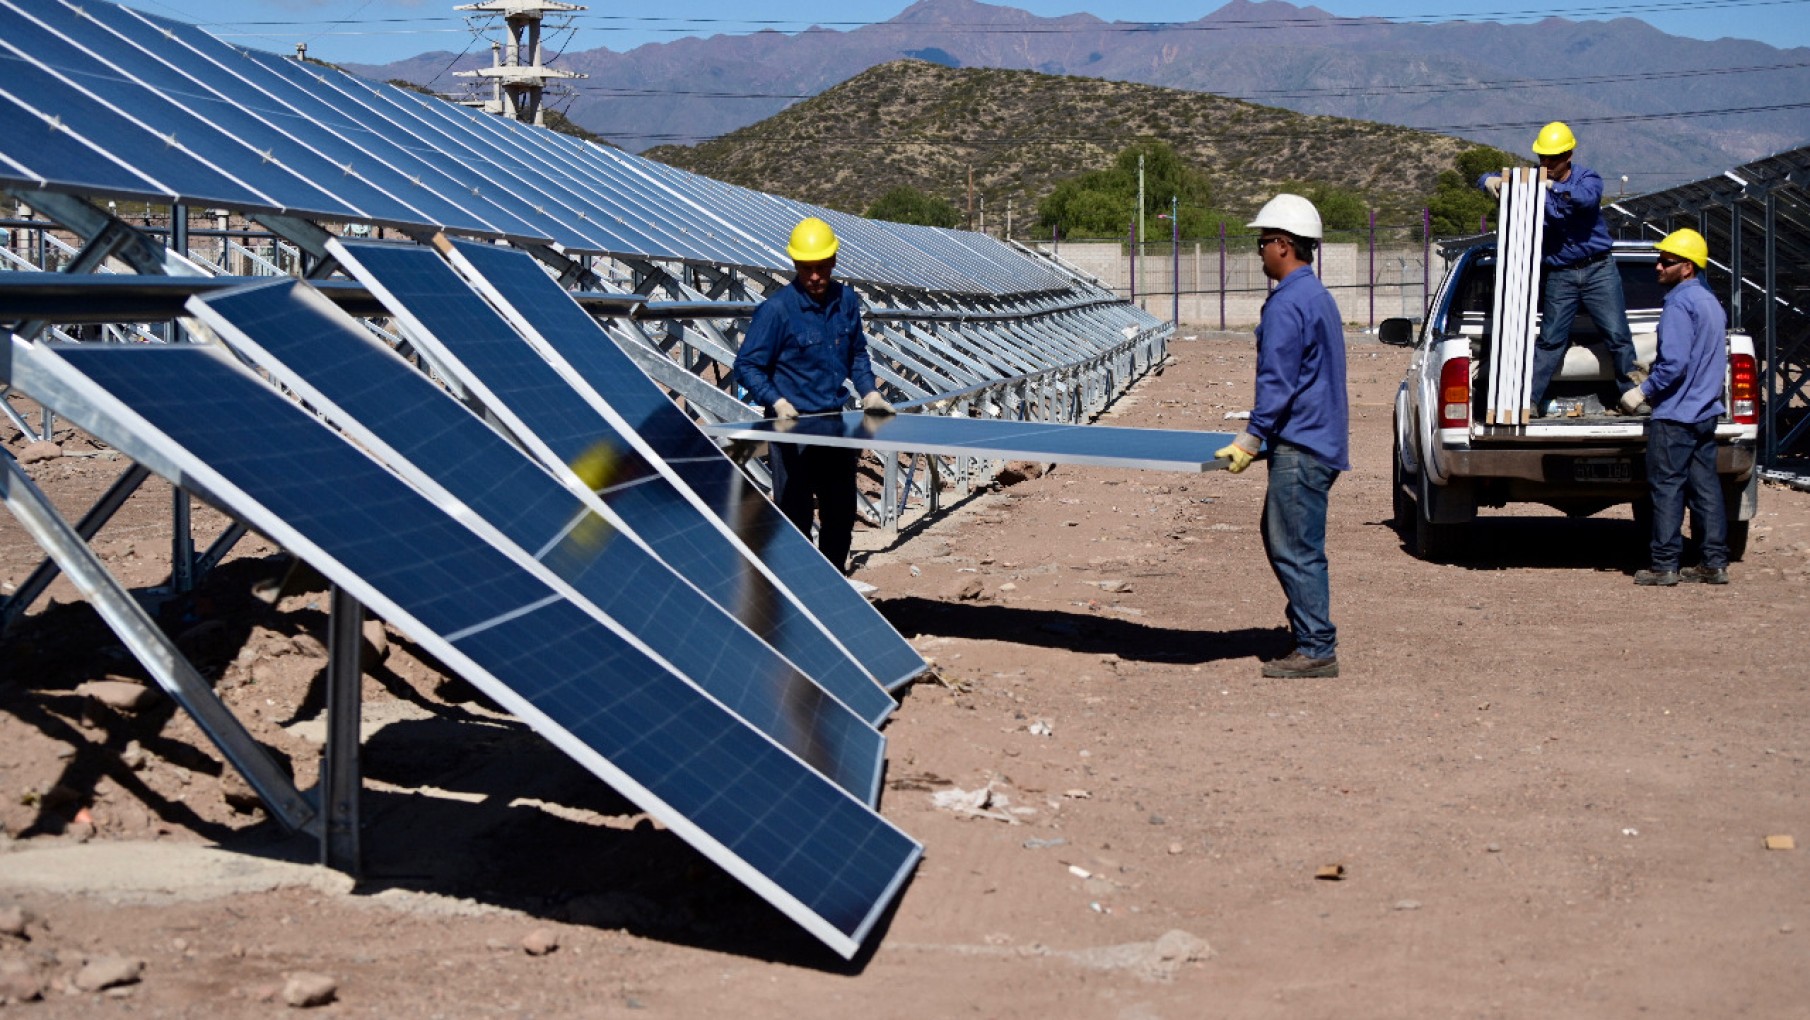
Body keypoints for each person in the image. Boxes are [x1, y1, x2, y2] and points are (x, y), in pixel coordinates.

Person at [1215, 195, 1350, 679]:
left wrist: (1253, 437)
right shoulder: (1317, 296)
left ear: (1284, 245)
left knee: (1294, 546)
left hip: (1302, 445)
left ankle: (1315, 647)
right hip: (1321, 440)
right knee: (1287, 539)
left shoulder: (1287, 304)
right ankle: (1308, 633)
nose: (1259, 252)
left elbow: (1278, 379)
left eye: (1263, 242)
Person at [733, 216, 894, 574]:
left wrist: (868, 392)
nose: (815, 276)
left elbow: (856, 352)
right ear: (795, 266)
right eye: (807, 269)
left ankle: (833, 581)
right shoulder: (777, 311)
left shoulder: (846, 301)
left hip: (834, 426)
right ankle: (801, 590)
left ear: (833, 262)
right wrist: (777, 401)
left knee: (839, 512)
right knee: (795, 516)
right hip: (793, 430)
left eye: (821, 267)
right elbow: (747, 365)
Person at [1478, 121, 1642, 416]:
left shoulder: (1586, 178)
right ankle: (1529, 399)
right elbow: (1492, 177)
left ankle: (1631, 394)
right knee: (1551, 339)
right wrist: (1489, 181)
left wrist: (1552, 186)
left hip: (1598, 270)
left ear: (1568, 156)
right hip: (1561, 274)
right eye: (1542, 158)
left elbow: (1586, 199)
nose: (1546, 164)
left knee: (1617, 335)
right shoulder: (1535, 180)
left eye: (1552, 159)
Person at [1624, 228, 1730, 587]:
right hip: (1704, 413)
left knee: (1667, 487)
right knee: (1706, 489)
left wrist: (1642, 392)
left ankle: (1664, 564)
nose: (1657, 267)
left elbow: (1674, 364)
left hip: (1676, 415)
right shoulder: (1710, 302)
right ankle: (1713, 563)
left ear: (1687, 268)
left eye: (1666, 262)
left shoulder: (1678, 304)